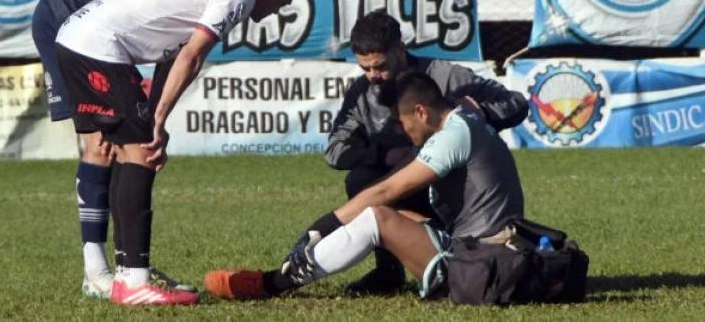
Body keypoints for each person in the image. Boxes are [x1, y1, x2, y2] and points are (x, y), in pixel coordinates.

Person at [30, 0, 295, 299]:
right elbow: (180, 48)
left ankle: (128, 265)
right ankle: (99, 271)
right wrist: (151, 122)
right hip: (66, 16)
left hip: (100, 32)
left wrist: (154, 118)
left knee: (133, 141)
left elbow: (169, 46)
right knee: (103, 147)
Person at [203, 70, 525, 301]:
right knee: (384, 211)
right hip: (486, 252)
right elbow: (391, 185)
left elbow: (387, 190)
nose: (401, 129)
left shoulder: (453, 134)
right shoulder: (458, 123)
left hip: (482, 265)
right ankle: (292, 274)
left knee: (377, 217)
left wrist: (321, 227)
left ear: (421, 111)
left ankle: (274, 283)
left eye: (402, 121)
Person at [323, 11, 528, 295]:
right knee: (360, 179)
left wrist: (478, 114)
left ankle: (461, 255)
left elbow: (515, 103)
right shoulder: (362, 93)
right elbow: (334, 150)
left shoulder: (446, 76)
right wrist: (382, 155)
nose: (373, 76)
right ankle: (388, 272)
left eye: (379, 66)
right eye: (365, 69)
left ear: (400, 49)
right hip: (406, 185)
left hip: (455, 189)